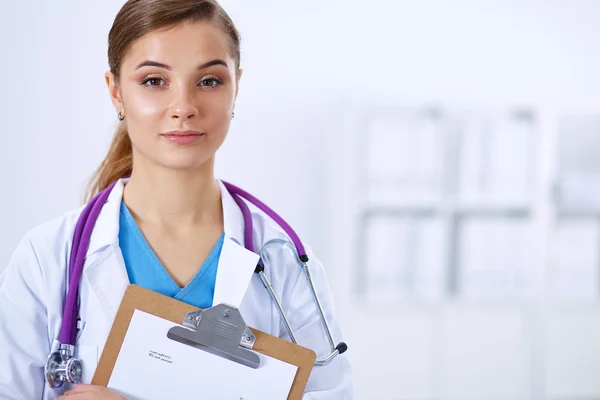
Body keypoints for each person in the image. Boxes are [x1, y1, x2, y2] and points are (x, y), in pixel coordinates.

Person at [0, 0, 353, 398]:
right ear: (116, 92)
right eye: (154, 81)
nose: (184, 107)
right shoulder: (47, 259)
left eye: (209, 81)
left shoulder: (284, 264)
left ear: (236, 86)